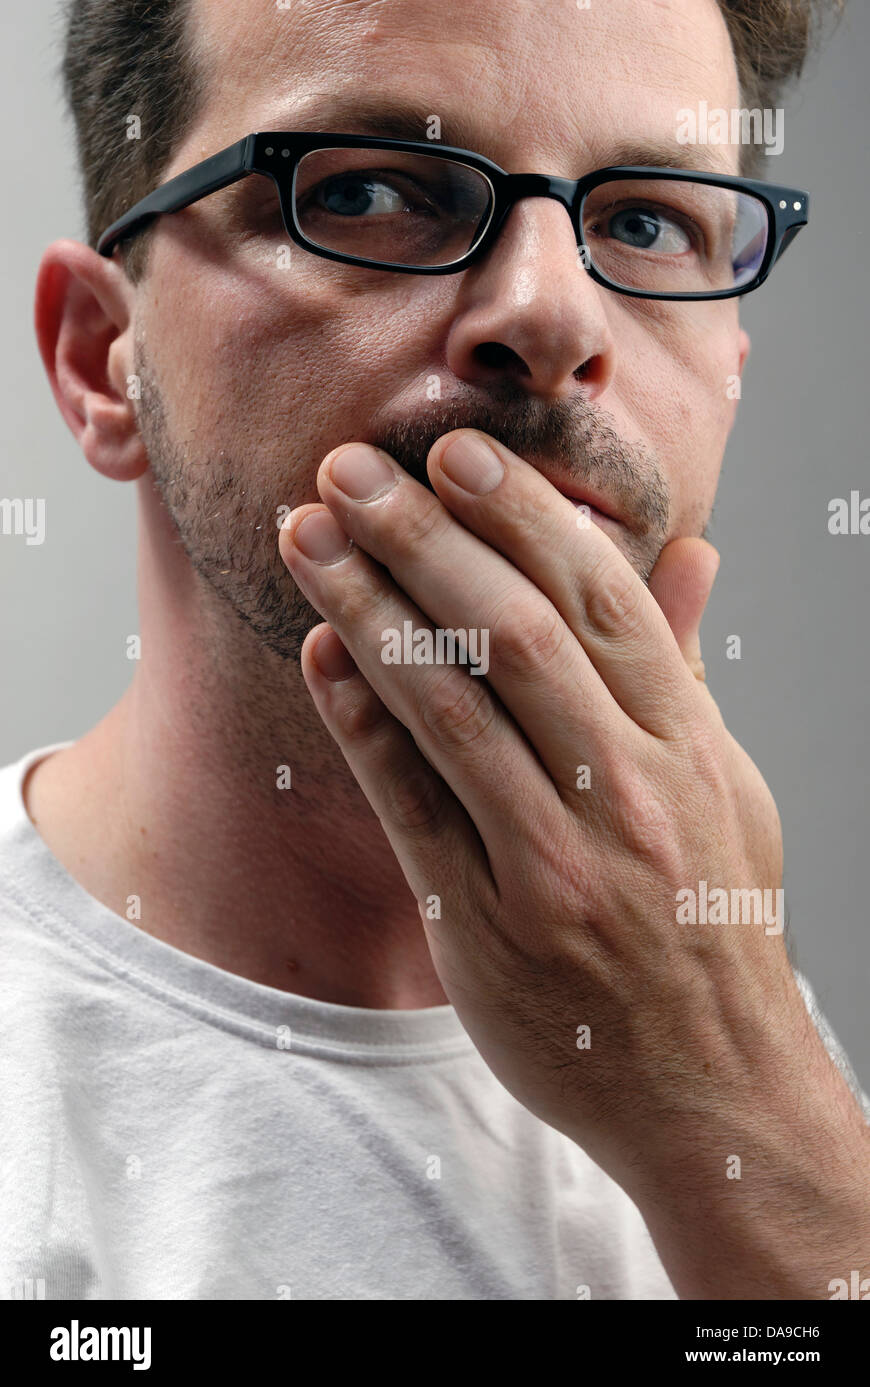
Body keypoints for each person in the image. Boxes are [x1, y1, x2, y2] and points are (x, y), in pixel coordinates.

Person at [2, 0, 866, 1300]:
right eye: (369, 190)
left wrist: (745, 1108)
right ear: (97, 362)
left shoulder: (741, 1014)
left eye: (644, 220)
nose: (549, 313)